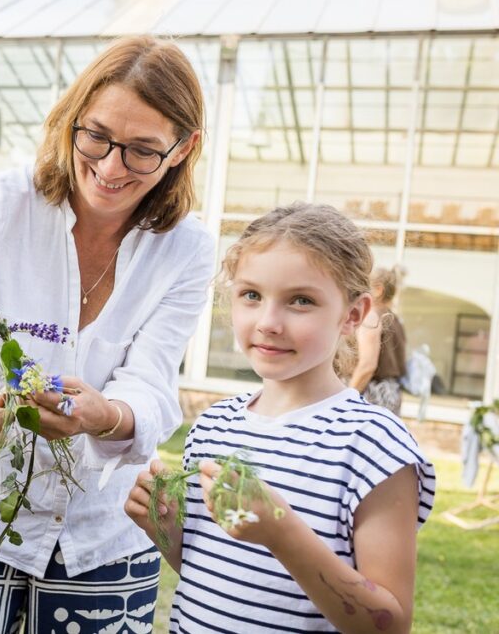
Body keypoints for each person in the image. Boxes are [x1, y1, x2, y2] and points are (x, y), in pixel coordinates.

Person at [0, 36, 214, 633]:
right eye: (96, 136)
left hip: (104, 530)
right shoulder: (1, 206)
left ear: (184, 149)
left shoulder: (187, 248)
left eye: (142, 151)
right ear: (71, 116)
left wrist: (106, 415)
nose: (108, 167)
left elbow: (152, 380)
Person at [125, 203, 435, 633]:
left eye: (301, 301)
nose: (268, 323)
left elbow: (388, 625)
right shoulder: (212, 427)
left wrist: (281, 532)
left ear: (353, 315)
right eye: (251, 295)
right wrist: (168, 531)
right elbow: (212, 572)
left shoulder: (372, 446)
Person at [350, 267, 407, 415]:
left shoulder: (371, 316)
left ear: (378, 290)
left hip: (371, 394)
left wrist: (346, 397)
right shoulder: (396, 320)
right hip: (390, 393)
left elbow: (367, 365)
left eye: (363, 285)